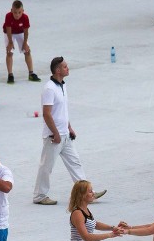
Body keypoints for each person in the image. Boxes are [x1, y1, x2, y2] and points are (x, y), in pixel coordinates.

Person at [33, 56, 106, 206]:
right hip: (54, 136)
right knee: (46, 167)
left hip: (65, 135)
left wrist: (69, 127)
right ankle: (39, 196)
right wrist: (56, 133)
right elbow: (47, 113)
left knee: (75, 163)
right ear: (58, 70)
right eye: (65, 67)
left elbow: (62, 111)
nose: (68, 68)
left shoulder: (62, 86)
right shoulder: (49, 88)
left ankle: (86, 194)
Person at [3, 0, 40, 83]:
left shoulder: (25, 17)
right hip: (9, 33)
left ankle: (31, 73)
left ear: (23, 11)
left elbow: (26, 32)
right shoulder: (8, 16)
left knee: (27, 51)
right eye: (15, 12)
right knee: (9, 52)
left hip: (20, 33)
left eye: (19, 12)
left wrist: (25, 43)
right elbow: (8, 30)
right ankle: (10, 75)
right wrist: (10, 42)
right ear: (11, 10)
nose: (17, 15)